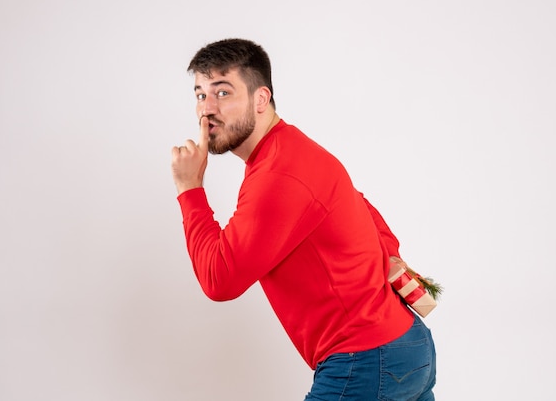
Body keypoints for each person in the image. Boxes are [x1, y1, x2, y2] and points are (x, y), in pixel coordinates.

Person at [171, 38, 436, 400]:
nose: (207, 109)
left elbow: (220, 279)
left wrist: (189, 190)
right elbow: (363, 207)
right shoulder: (292, 149)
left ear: (260, 99)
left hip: (365, 360)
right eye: (200, 94)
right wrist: (383, 257)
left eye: (223, 92)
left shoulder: (275, 176)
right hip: (406, 345)